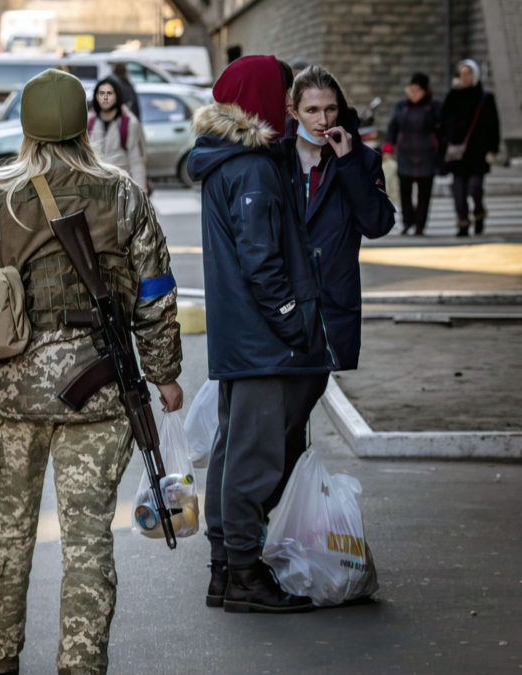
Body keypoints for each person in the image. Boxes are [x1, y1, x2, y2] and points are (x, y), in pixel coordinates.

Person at [0, 68, 184, 675]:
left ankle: (0, 652)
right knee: (88, 538)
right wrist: (163, 372)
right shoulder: (123, 194)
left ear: (25, 126)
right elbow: (156, 292)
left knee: (7, 529)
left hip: (12, 393)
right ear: (86, 123)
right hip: (102, 389)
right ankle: (81, 662)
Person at [186, 55, 333, 614]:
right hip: (262, 341)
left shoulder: (231, 160)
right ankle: (243, 575)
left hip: (243, 337)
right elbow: (262, 261)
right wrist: (295, 320)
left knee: (233, 450)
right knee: (255, 458)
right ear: (264, 101)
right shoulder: (250, 168)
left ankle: (227, 568)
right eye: (284, 93)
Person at [274, 64, 393, 495]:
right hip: (281, 308)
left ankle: (286, 511)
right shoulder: (276, 159)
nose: (323, 120)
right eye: (311, 110)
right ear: (293, 111)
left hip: (327, 312)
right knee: (281, 421)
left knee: (295, 413)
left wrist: (347, 165)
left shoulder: (359, 160)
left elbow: (378, 223)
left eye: (330, 109)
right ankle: (280, 511)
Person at [440, 59, 501, 236]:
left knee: (475, 188)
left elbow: (493, 125)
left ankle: (479, 213)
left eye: (469, 74)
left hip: (478, 153)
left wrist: (492, 150)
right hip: (457, 153)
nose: (465, 77)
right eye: (462, 74)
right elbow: (443, 123)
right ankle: (463, 222)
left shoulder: (485, 97)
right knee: (458, 191)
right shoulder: (453, 96)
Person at [385, 72, 443, 235]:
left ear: (425, 91)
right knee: (405, 191)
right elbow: (393, 128)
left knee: (425, 193)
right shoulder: (402, 106)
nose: (413, 93)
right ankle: (407, 221)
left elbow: (442, 132)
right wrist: (388, 149)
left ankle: (420, 224)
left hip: (427, 155)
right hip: (405, 153)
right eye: (411, 89)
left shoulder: (433, 107)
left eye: (417, 90)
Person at [88, 76, 147, 190]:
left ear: (117, 96)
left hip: (121, 190)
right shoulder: (90, 123)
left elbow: (137, 162)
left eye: (109, 93)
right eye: (101, 93)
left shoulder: (129, 123)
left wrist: (141, 194)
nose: (105, 97)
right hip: (96, 191)